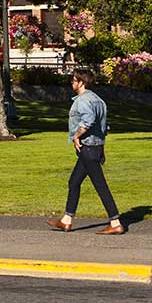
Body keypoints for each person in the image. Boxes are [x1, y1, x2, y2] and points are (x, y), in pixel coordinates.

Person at [48, 67, 125, 234]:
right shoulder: (99, 100)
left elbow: (88, 121)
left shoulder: (83, 100)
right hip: (94, 148)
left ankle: (115, 222)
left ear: (81, 82)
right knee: (74, 182)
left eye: (74, 80)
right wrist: (101, 149)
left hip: (88, 148)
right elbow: (104, 127)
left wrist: (76, 136)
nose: (72, 83)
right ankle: (66, 220)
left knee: (100, 186)